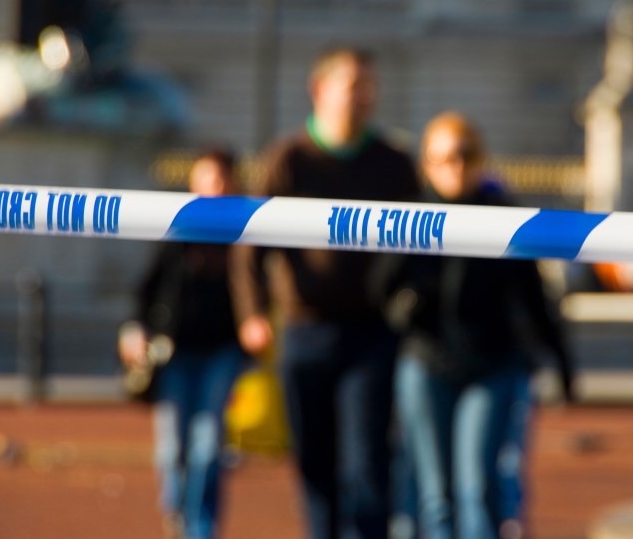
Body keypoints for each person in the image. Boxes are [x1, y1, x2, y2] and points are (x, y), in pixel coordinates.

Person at [231, 46, 420, 539]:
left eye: (370, 87)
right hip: (304, 329)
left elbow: (421, 243)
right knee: (315, 460)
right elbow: (251, 242)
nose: (365, 98)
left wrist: (403, 298)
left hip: (371, 332)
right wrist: (253, 313)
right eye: (354, 85)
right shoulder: (288, 160)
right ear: (321, 90)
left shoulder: (393, 163)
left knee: (367, 458)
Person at [378, 112, 574, 539]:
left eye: (465, 155)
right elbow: (379, 288)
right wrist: (406, 304)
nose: (456, 166)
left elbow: (533, 295)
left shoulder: (504, 215)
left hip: (492, 363)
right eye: (444, 158)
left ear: (481, 158)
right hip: (427, 362)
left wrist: (561, 362)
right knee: (435, 496)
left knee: (478, 488)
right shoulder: (409, 214)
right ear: (427, 163)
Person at [118, 147, 249, 539]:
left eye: (222, 178)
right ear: (193, 182)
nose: (215, 186)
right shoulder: (176, 229)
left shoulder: (247, 230)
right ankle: (176, 517)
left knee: (208, 445)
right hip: (175, 351)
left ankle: (201, 529)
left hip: (223, 350)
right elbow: (148, 289)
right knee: (171, 447)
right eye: (207, 178)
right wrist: (135, 327)